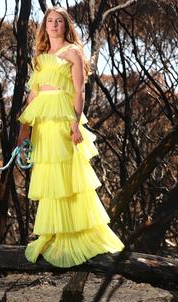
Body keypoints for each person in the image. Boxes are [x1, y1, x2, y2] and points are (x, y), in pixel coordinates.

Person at [17, 7, 124, 268]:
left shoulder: (73, 52)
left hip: (65, 119)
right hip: (44, 121)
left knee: (69, 176)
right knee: (50, 177)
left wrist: (76, 123)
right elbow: (34, 94)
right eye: (50, 21)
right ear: (45, 26)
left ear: (66, 26)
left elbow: (79, 92)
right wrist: (24, 128)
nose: (54, 25)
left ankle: (78, 235)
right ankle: (54, 234)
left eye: (59, 22)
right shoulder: (41, 57)